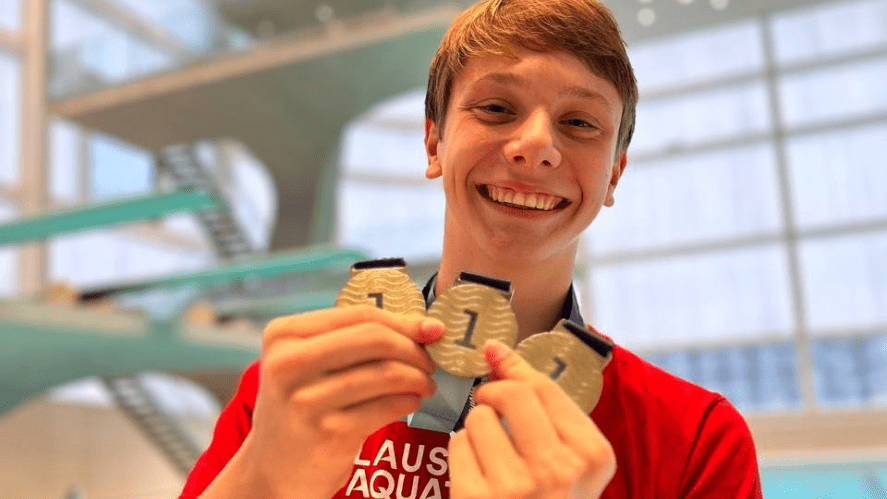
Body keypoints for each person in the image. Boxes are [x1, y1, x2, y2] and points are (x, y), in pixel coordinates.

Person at [180, 0, 763, 497]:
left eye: (580, 122)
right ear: (434, 141)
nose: (535, 146)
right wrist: (260, 479)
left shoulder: (695, 441)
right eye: (496, 108)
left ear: (614, 175)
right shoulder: (297, 388)